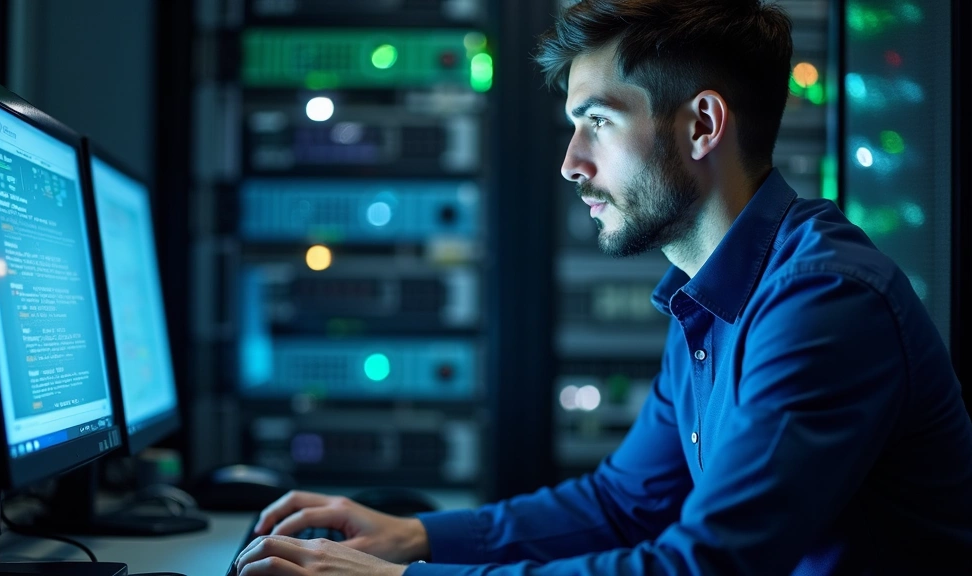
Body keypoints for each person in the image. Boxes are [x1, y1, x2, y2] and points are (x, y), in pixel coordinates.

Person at [231, 0, 972, 574]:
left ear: (702, 125)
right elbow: (625, 504)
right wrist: (414, 536)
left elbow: (707, 566)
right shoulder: (711, 296)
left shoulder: (824, 301)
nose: (571, 162)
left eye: (596, 122)